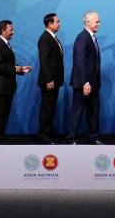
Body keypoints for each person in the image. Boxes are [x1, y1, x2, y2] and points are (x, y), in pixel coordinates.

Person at [0, 20, 32, 144]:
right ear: (3, 31)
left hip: (7, 86)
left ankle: (0, 138)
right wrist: (15, 68)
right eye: (11, 30)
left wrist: (21, 69)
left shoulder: (6, 44)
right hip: (1, 87)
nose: (13, 32)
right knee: (1, 115)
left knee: (4, 115)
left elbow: (9, 64)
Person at [67, 11, 102, 145]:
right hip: (84, 84)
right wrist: (85, 82)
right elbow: (79, 62)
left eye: (99, 21)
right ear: (88, 22)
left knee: (94, 111)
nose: (99, 23)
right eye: (97, 21)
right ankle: (71, 138)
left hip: (93, 83)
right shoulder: (82, 37)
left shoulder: (92, 37)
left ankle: (94, 136)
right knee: (77, 111)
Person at [37, 13, 64, 144]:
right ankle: (43, 134)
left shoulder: (53, 37)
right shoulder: (45, 38)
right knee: (46, 108)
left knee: (51, 107)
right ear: (49, 24)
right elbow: (44, 61)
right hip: (49, 81)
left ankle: (49, 130)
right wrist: (49, 79)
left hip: (55, 80)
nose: (59, 24)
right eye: (57, 21)